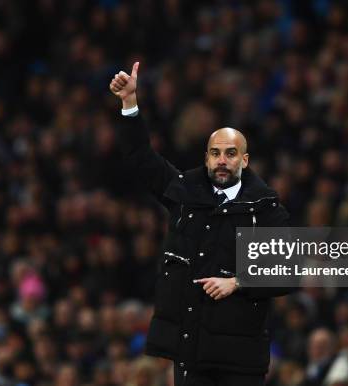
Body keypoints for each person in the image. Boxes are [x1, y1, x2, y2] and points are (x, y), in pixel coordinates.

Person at [110, 62, 294, 386]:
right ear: (206, 157)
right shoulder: (184, 192)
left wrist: (238, 283)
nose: (222, 160)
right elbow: (140, 157)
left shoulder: (265, 210)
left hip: (241, 360)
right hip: (192, 353)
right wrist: (129, 104)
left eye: (231, 153)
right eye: (215, 153)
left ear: (244, 160)